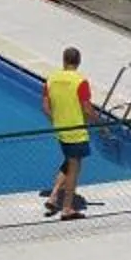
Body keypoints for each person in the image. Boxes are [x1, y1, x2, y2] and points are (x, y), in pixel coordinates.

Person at [41, 48, 94, 220]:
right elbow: (86, 108)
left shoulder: (51, 79)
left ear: (64, 60)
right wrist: (99, 121)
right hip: (77, 132)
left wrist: (56, 121)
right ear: (78, 62)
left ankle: (54, 195)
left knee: (69, 162)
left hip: (61, 131)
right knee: (74, 169)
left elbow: (45, 107)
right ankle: (67, 208)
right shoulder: (80, 81)